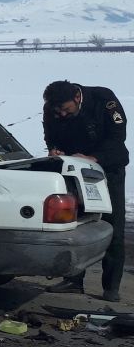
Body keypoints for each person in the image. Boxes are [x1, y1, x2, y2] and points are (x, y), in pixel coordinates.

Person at [42, 80, 127, 302]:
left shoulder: (103, 99)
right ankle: (73, 280)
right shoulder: (53, 108)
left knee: (112, 226)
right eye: (57, 110)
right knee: (75, 224)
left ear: (77, 98)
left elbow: (117, 138)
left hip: (107, 169)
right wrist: (54, 149)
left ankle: (111, 287)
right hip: (74, 170)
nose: (60, 114)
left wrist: (93, 159)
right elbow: (50, 134)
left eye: (65, 109)